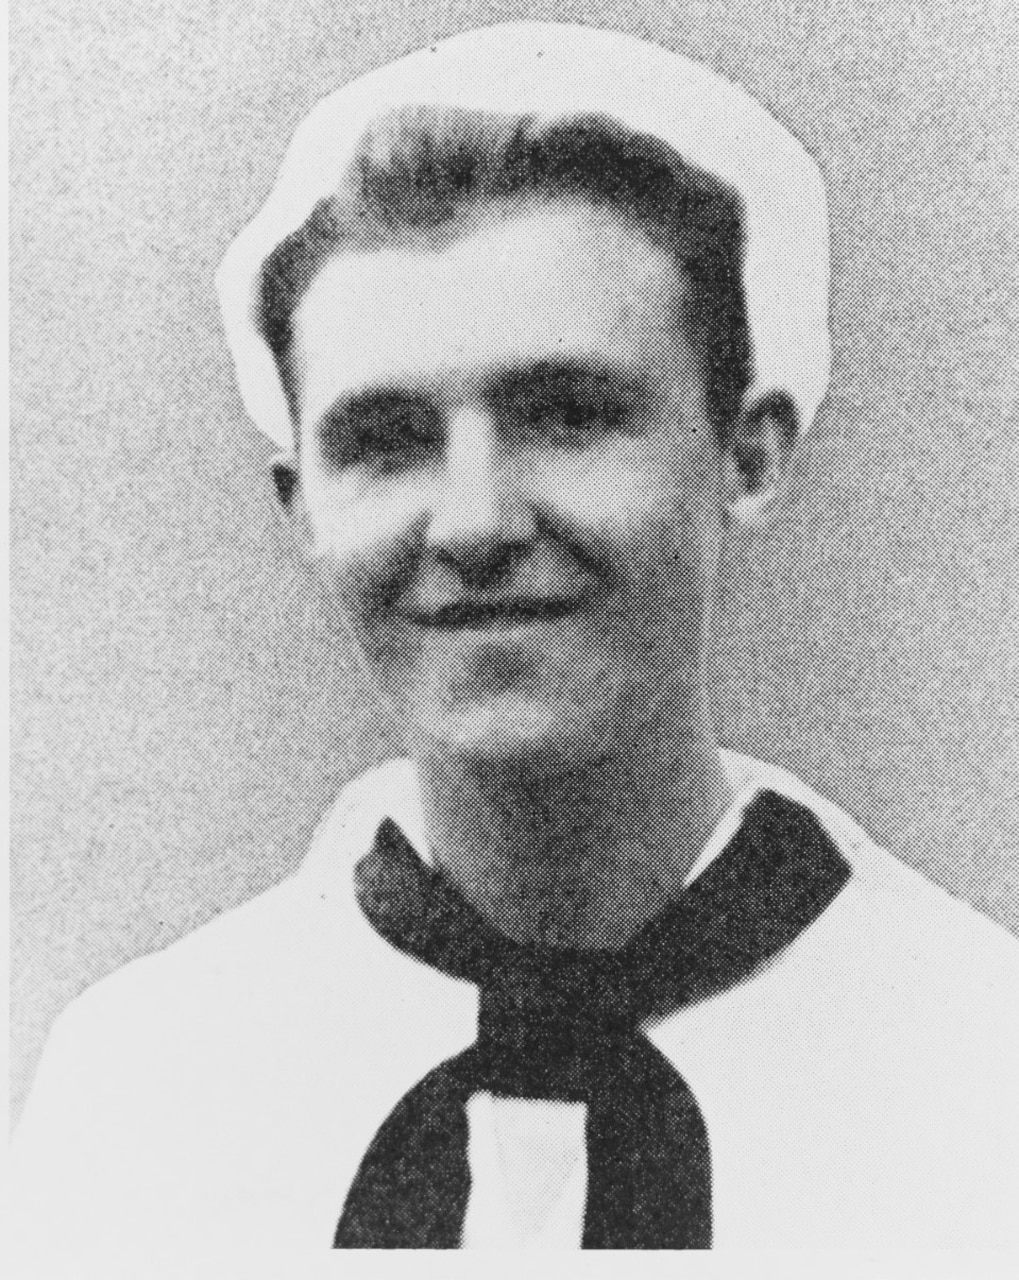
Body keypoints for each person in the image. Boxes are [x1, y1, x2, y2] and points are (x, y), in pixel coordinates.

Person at [11, 21, 1018, 1258]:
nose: (475, 521)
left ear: (746, 456)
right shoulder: (151, 1087)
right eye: (383, 440)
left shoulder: (978, 1073)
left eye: (568, 414)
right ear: (302, 509)